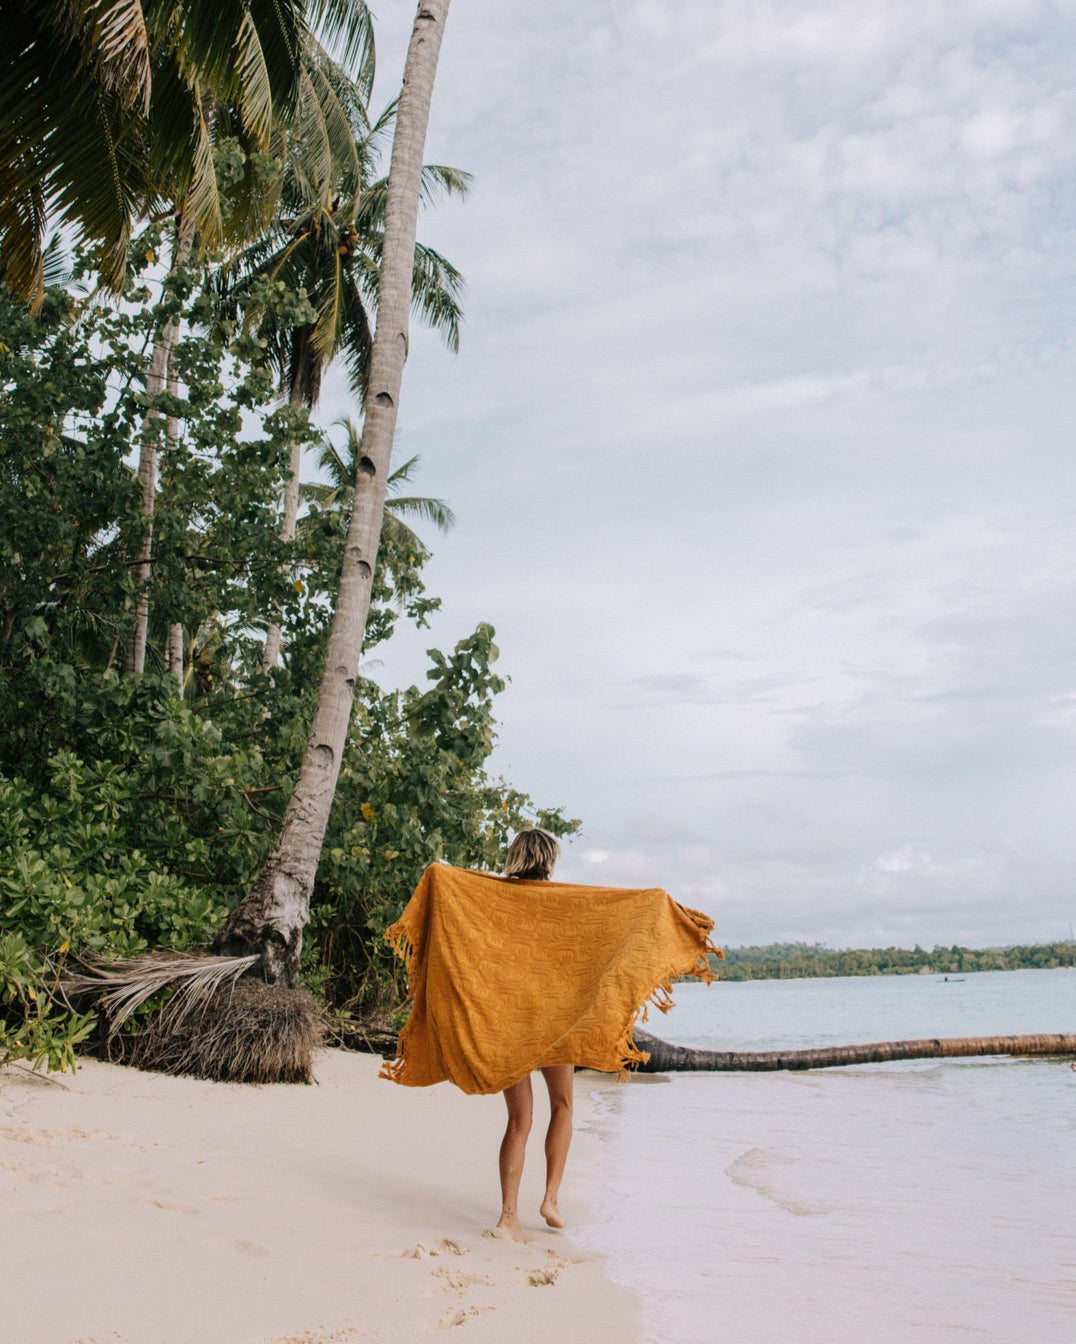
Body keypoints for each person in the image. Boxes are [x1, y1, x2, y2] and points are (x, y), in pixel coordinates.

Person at [493, 827, 571, 1242]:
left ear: (516, 857)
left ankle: (508, 1216)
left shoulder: (493, 900)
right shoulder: (565, 903)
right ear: (549, 861)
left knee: (519, 1119)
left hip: (511, 1021)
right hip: (555, 1018)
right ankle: (551, 1199)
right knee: (562, 1106)